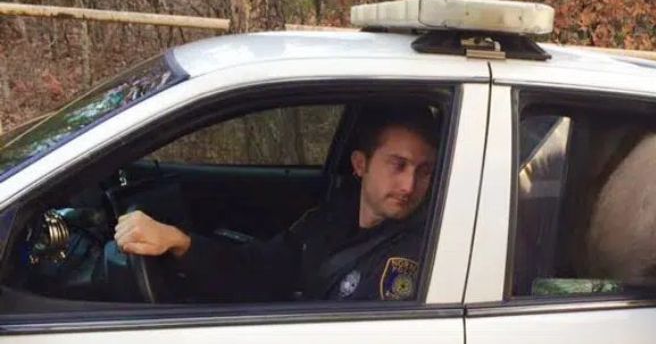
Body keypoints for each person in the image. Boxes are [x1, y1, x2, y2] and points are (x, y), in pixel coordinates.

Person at [113, 105, 439, 303]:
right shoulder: (332, 218)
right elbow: (260, 269)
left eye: (424, 171)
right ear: (359, 164)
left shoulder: (421, 249)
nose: (409, 185)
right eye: (398, 165)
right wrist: (179, 243)